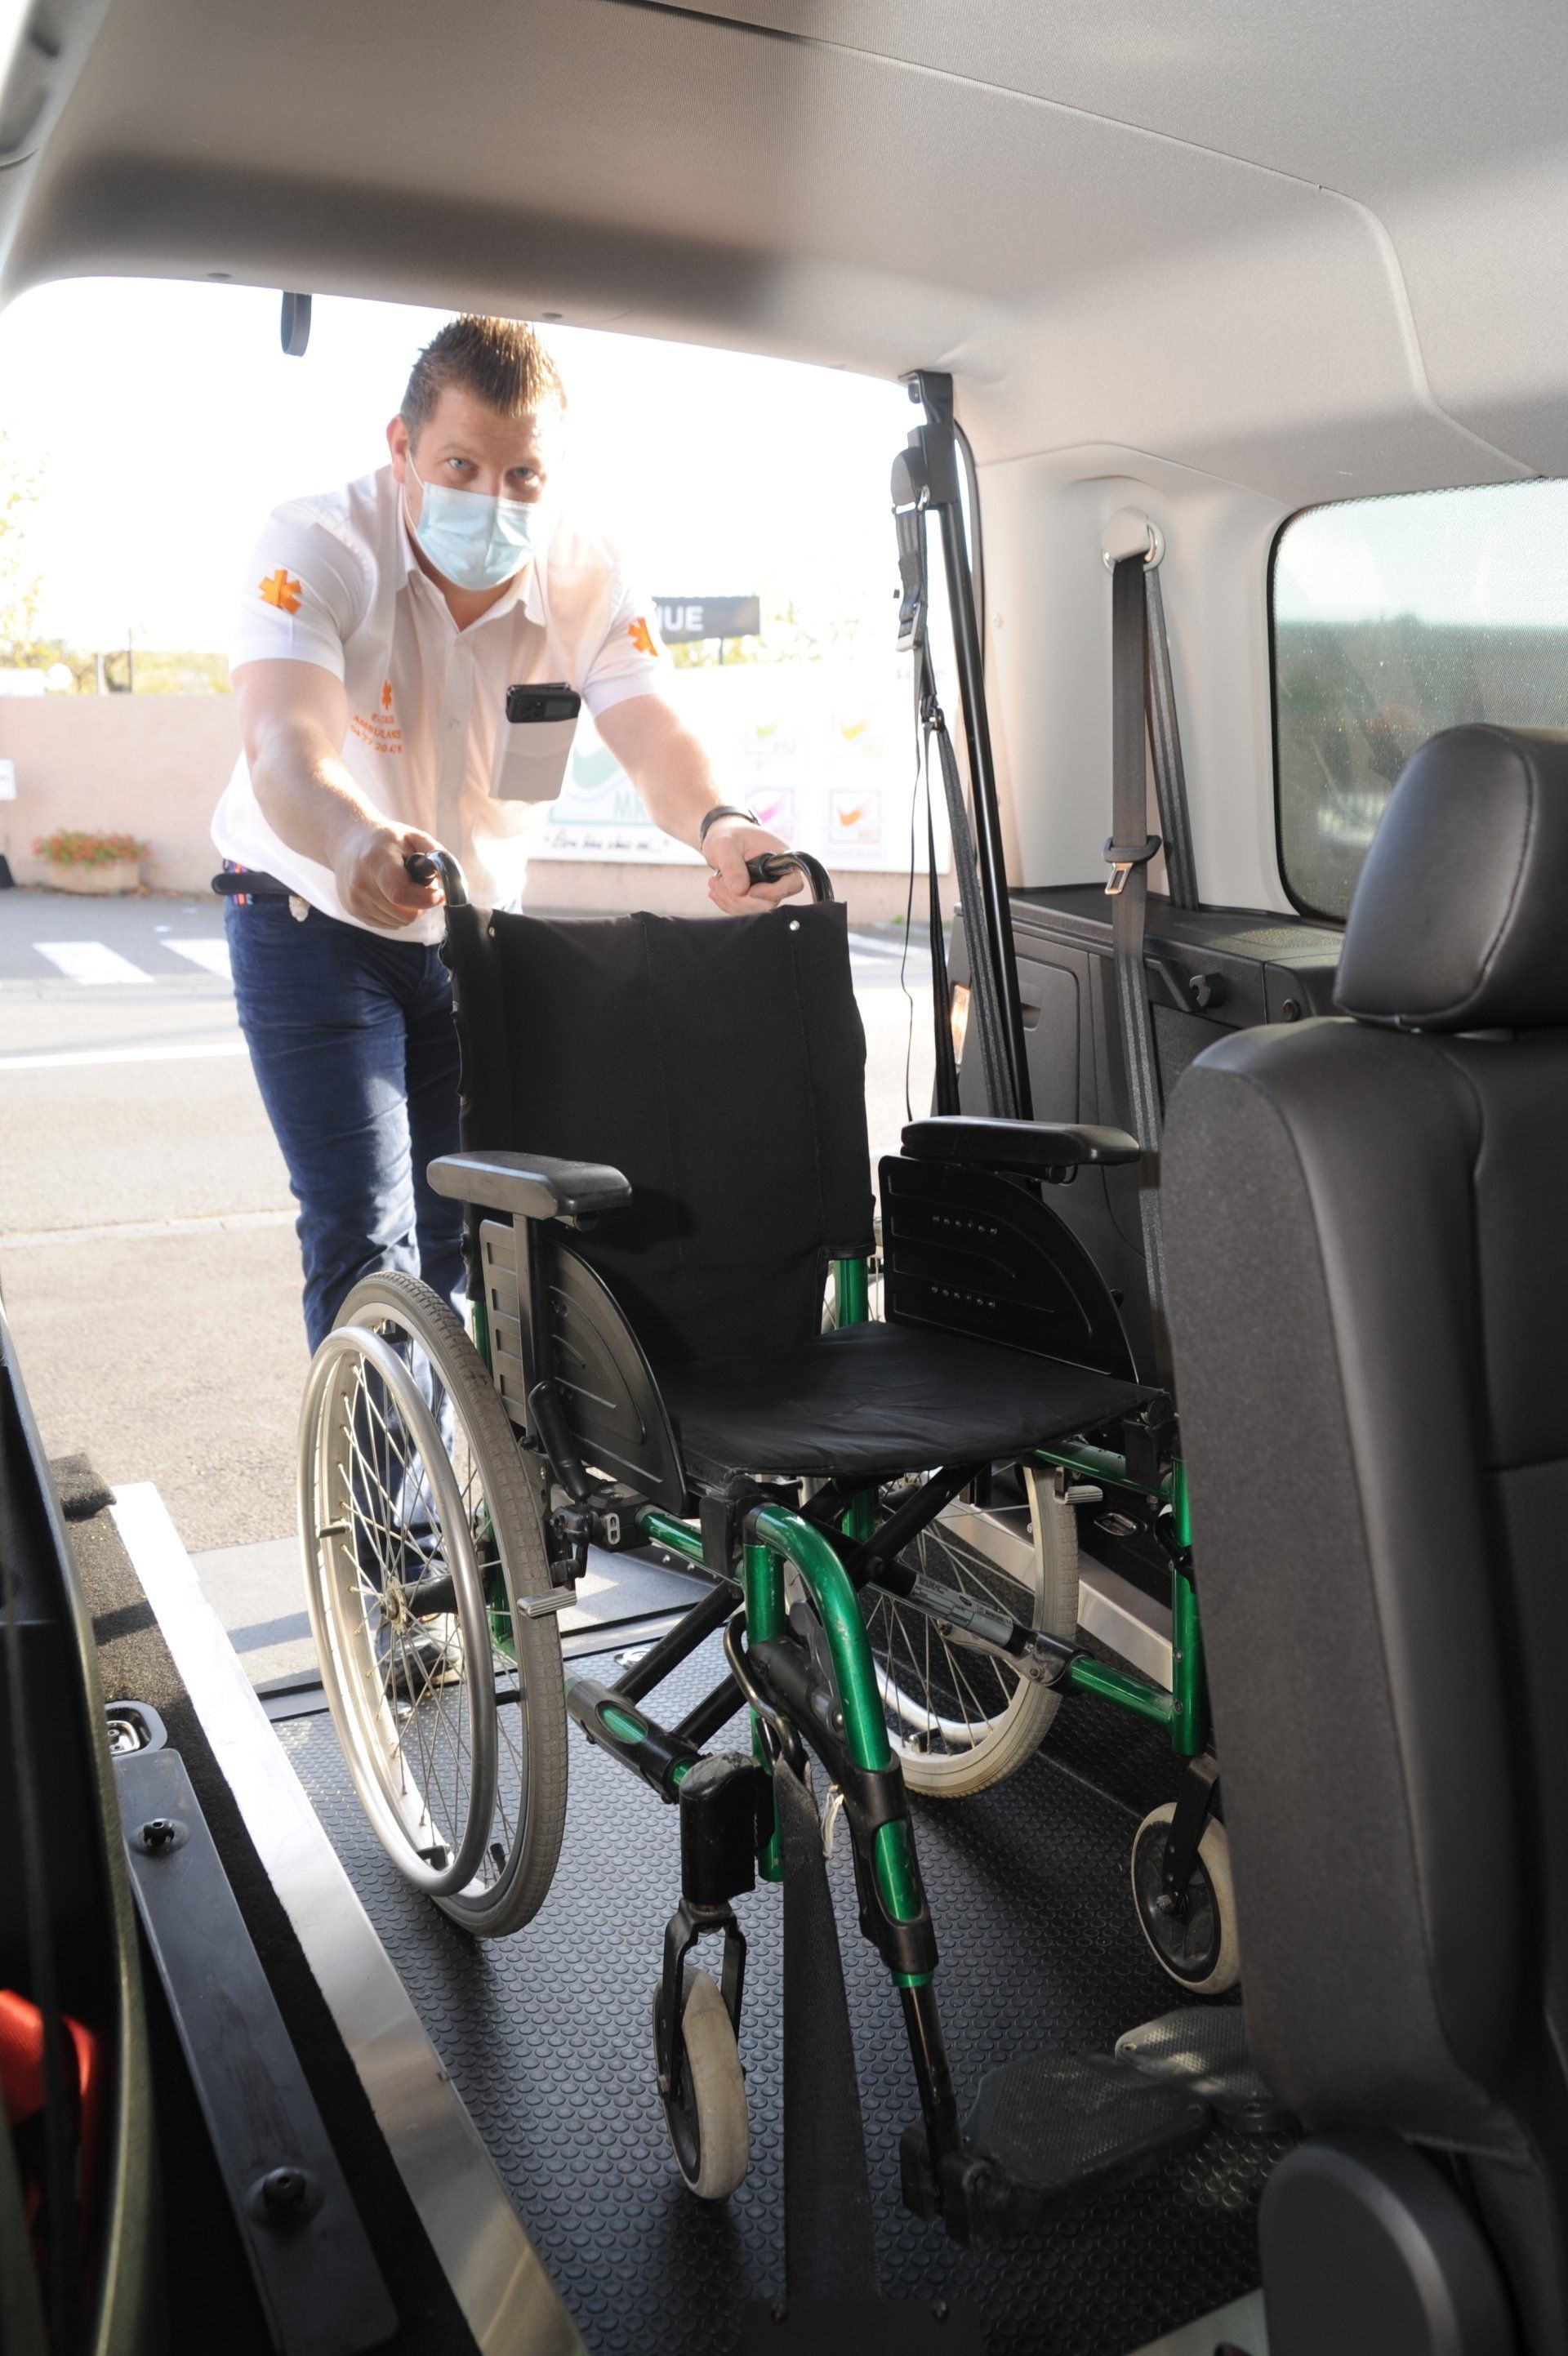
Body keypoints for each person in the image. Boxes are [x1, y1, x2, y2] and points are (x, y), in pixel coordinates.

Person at [214, 314, 799, 1353]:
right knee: (366, 1228)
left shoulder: (589, 574)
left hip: (472, 929)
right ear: (402, 447)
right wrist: (354, 840)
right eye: (461, 466)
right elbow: (284, 744)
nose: (493, 498)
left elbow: (650, 729)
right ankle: (387, 1461)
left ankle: (447, 1446)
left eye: (523, 474)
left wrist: (721, 824)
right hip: (313, 912)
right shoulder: (316, 544)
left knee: (465, 1220)